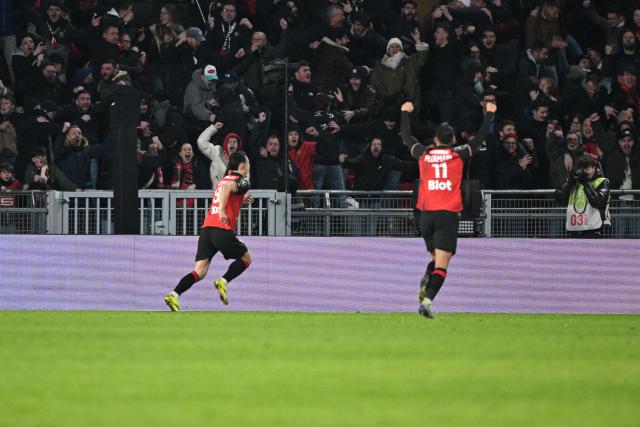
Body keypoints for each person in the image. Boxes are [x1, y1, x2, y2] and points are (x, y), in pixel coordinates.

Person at [400, 100, 496, 319]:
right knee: (442, 266)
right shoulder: (459, 154)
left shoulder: (424, 154)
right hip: (447, 215)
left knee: (435, 259)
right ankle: (426, 302)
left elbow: (406, 137)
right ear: (453, 140)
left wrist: (404, 113)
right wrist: (488, 114)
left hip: (425, 216)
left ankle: (427, 277)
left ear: (435, 140)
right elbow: (480, 138)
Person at [164, 151, 253, 311]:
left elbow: (226, 192)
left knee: (200, 271)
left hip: (207, 230)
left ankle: (174, 295)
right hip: (222, 229)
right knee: (246, 258)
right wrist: (221, 211)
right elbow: (227, 189)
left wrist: (240, 201)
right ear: (243, 166)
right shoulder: (242, 181)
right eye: (248, 162)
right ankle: (223, 281)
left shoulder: (223, 180)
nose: (249, 165)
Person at [555, 155, 611, 238]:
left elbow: (598, 202)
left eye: (588, 168)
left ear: (594, 168)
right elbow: (559, 200)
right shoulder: (574, 183)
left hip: (594, 230)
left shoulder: (602, 182)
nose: (585, 172)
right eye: (582, 169)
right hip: (574, 230)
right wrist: (569, 181)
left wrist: (586, 183)